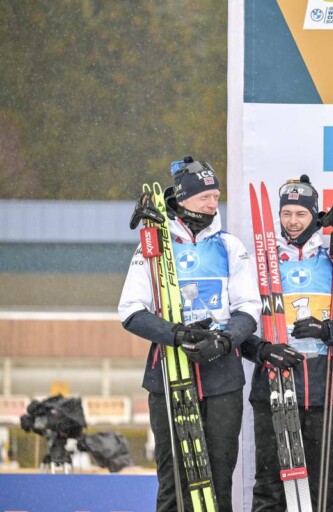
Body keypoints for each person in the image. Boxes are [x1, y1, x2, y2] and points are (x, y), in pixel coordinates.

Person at [118, 156, 261, 511]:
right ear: (182, 200)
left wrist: (225, 340)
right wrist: (177, 334)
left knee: (218, 479)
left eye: (216, 197)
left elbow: (249, 307)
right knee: (175, 482)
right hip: (169, 373)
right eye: (204, 197)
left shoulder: (229, 245)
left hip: (222, 375)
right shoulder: (155, 244)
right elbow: (130, 310)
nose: (212, 204)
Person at [244, 175, 333, 512]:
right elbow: (240, 326)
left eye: (301, 214)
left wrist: (327, 330)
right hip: (273, 387)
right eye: (286, 214)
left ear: (314, 215)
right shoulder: (261, 263)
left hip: (323, 389)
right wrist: (262, 351)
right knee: (270, 486)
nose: (293, 221)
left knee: (322, 486)